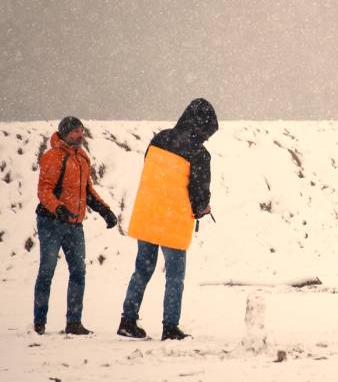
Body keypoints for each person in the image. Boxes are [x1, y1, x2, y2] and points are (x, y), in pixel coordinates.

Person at [117, 98, 218, 341]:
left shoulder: (159, 138)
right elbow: (199, 192)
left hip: (147, 214)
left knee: (142, 270)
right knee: (174, 277)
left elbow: (150, 170)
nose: (207, 138)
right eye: (208, 132)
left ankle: (127, 320)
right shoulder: (199, 153)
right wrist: (202, 208)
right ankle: (170, 327)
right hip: (173, 219)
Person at [34, 116, 118, 335]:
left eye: (81, 131)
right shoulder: (52, 157)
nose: (79, 135)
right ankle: (39, 323)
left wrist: (105, 211)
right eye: (74, 132)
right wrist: (58, 208)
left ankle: (74, 323)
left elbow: (87, 191)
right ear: (64, 133)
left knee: (78, 272)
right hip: (50, 223)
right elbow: (44, 190)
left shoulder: (82, 157)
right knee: (47, 272)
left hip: (75, 225)